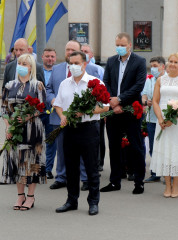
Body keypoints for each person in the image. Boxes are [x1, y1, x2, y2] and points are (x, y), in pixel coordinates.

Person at [54, 51, 109, 216]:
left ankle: (93, 202)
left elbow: (105, 106)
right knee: (71, 168)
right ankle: (71, 200)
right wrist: (62, 115)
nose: (73, 66)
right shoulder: (65, 83)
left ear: (85, 64)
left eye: (77, 63)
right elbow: (58, 104)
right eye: (71, 63)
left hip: (89, 129)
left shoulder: (95, 83)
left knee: (91, 167)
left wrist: (86, 112)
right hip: (70, 130)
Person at [46, 40, 99, 191]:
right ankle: (61, 177)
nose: (69, 53)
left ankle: (85, 178)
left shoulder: (94, 71)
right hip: (60, 117)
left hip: (84, 122)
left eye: (73, 50)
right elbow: (49, 89)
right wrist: (53, 100)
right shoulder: (56, 70)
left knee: (83, 152)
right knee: (62, 150)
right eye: (67, 50)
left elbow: (101, 100)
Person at [101, 32, 147, 194]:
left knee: (136, 146)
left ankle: (139, 182)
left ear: (130, 46)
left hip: (130, 110)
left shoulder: (139, 61)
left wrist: (119, 99)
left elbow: (138, 85)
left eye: (122, 45)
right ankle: (114, 181)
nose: (119, 48)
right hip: (113, 111)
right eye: (117, 45)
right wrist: (112, 103)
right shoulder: (111, 61)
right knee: (113, 146)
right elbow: (105, 82)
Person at [1, 53, 46, 210]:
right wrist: (8, 126)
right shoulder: (9, 85)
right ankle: (20, 196)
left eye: (25, 64)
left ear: (31, 67)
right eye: (20, 63)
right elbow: (4, 108)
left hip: (33, 129)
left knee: (32, 161)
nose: (21, 66)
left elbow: (42, 107)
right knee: (16, 160)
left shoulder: (37, 85)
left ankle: (31, 197)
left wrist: (28, 116)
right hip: (15, 129)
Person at [150, 53, 178, 197]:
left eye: (176, 62)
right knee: (164, 151)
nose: (173, 64)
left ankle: (175, 185)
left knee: (175, 151)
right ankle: (167, 186)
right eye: (171, 61)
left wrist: (173, 118)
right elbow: (155, 101)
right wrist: (161, 118)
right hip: (162, 119)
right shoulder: (160, 80)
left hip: (177, 121)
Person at [81, 43, 106, 172]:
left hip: (97, 109)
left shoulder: (98, 69)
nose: (84, 53)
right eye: (82, 51)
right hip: (81, 110)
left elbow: (104, 88)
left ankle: (99, 162)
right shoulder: (77, 68)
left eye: (86, 51)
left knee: (98, 136)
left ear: (91, 55)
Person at [143, 56, 166, 183]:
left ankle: (169, 174)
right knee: (153, 147)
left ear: (163, 66)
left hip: (165, 118)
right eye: (151, 66)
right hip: (152, 118)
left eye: (155, 66)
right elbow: (144, 95)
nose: (153, 69)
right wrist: (146, 102)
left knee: (165, 147)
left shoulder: (168, 79)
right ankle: (155, 173)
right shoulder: (150, 80)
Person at [41, 48, 57, 180]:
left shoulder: (58, 72)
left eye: (52, 56)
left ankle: (47, 169)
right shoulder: (37, 71)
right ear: (42, 57)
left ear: (55, 58)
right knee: (35, 141)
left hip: (53, 110)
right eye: (47, 56)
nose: (50, 59)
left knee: (51, 141)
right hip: (38, 111)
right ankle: (35, 168)